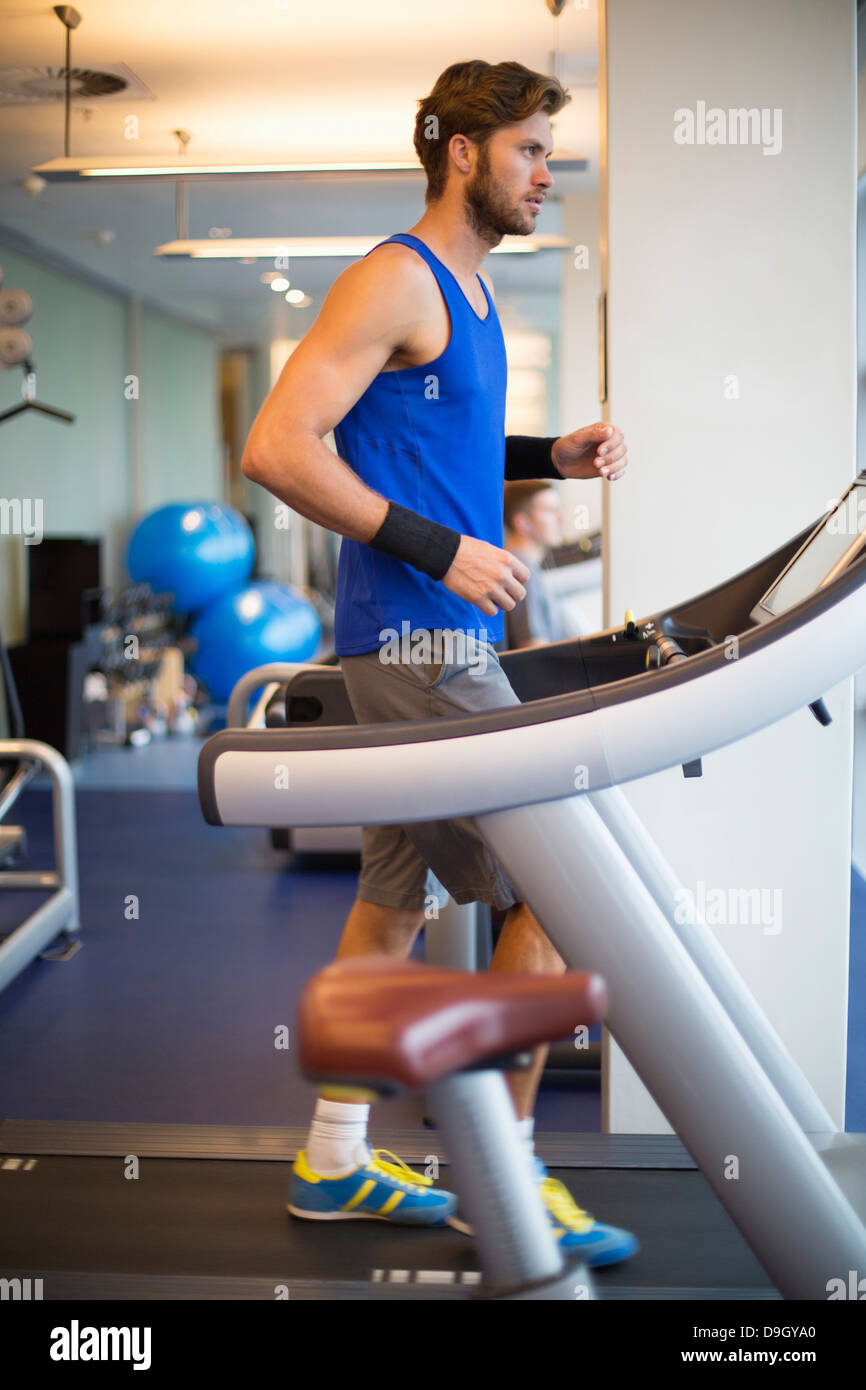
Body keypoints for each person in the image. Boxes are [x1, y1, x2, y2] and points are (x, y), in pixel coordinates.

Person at [242, 58, 636, 1267]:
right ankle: (505, 1174)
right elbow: (278, 446)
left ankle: (333, 1155)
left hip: (427, 638)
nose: (543, 172)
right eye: (527, 150)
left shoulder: (463, 297)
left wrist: (546, 456)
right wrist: (440, 551)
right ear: (462, 152)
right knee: (550, 881)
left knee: (394, 896)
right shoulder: (392, 277)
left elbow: (425, 433)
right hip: (416, 639)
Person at [503, 480, 566, 649]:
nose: (561, 518)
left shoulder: (522, 564)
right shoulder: (523, 570)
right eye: (551, 511)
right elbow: (533, 648)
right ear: (523, 523)